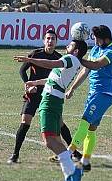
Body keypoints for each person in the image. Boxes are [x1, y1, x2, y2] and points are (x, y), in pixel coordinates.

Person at [13, 40, 93, 181]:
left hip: (50, 101)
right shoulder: (72, 62)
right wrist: (35, 81)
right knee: (56, 140)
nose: (67, 47)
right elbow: (53, 79)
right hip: (55, 100)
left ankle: (74, 172)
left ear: (76, 51)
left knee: (49, 141)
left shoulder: (69, 59)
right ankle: (68, 176)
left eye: (70, 45)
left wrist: (30, 60)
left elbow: (50, 64)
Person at [8, 30, 82, 164]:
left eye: (53, 39)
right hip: (34, 93)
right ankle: (15, 154)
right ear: (44, 41)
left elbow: (53, 73)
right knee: (25, 122)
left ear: (56, 42)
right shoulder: (36, 54)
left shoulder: (60, 58)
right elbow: (22, 70)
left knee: (60, 124)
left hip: (49, 95)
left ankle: (73, 152)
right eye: (48, 38)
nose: (50, 41)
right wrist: (28, 85)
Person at [65, 25, 112, 172]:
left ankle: (67, 154)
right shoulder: (96, 49)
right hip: (93, 93)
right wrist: (73, 88)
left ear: (104, 38)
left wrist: (77, 57)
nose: (94, 40)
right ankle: (86, 161)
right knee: (91, 128)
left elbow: (95, 65)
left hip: (104, 94)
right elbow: (86, 70)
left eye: (96, 38)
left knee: (84, 121)